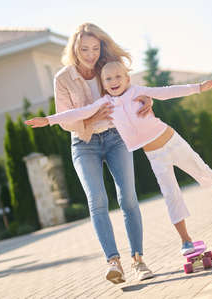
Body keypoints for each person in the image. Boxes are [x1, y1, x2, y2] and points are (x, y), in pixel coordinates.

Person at [25, 61, 212, 257]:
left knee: (202, 171)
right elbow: (78, 113)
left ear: (127, 79)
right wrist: (48, 120)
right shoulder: (104, 104)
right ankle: (186, 241)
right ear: (102, 84)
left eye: (118, 77)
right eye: (108, 79)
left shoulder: (138, 92)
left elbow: (167, 92)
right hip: (154, 155)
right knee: (170, 193)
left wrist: (198, 87)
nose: (113, 82)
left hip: (172, 142)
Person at [48, 23, 154, 284]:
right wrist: (92, 117)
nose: (90, 54)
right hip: (84, 143)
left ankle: (138, 260)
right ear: (75, 48)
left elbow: (130, 90)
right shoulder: (62, 78)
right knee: (96, 200)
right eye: (85, 48)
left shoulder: (108, 65)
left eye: (95, 48)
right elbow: (64, 120)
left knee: (128, 197)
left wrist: (146, 99)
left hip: (116, 137)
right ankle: (114, 262)